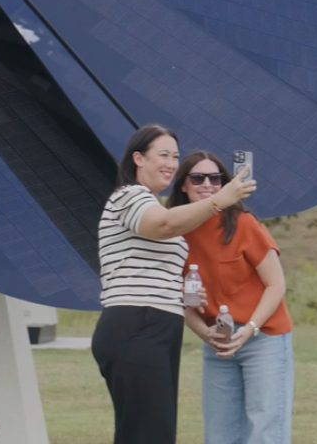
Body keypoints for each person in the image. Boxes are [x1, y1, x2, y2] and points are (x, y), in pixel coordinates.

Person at [91, 125, 257, 444]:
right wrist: (219, 199)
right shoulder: (129, 196)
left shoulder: (149, 202)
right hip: (136, 322)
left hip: (158, 325)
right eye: (163, 155)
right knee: (150, 433)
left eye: (175, 157)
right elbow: (163, 225)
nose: (170, 163)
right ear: (138, 158)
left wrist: (182, 293)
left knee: (147, 432)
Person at [169, 151, 293, 444]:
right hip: (218, 342)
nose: (208, 184)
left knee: (266, 431)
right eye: (198, 177)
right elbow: (180, 301)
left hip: (264, 339)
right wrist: (206, 333)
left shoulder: (244, 223)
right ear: (183, 185)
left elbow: (276, 285)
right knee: (219, 434)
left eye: (216, 178)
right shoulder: (173, 232)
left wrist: (250, 329)